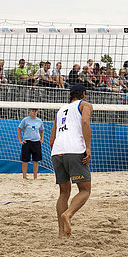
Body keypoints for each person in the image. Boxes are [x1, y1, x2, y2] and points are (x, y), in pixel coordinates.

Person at [50, 84, 93, 238]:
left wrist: (56, 152)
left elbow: (52, 135)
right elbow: (85, 123)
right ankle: (68, 214)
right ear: (83, 94)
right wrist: (87, 147)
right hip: (74, 149)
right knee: (85, 190)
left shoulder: (61, 110)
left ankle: (61, 234)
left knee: (63, 192)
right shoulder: (85, 105)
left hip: (57, 151)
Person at [17, 108, 45, 180]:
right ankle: (24, 176)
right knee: (25, 160)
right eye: (33, 111)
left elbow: (42, 131)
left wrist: (41, 139)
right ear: (29, 111)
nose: (34, 112)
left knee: (36, 160)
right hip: (27, 142)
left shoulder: (39, 121)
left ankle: (35, 177)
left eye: (35, 111)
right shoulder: (25, 120)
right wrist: (20, 140)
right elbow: (19, 130)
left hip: (36, 142)